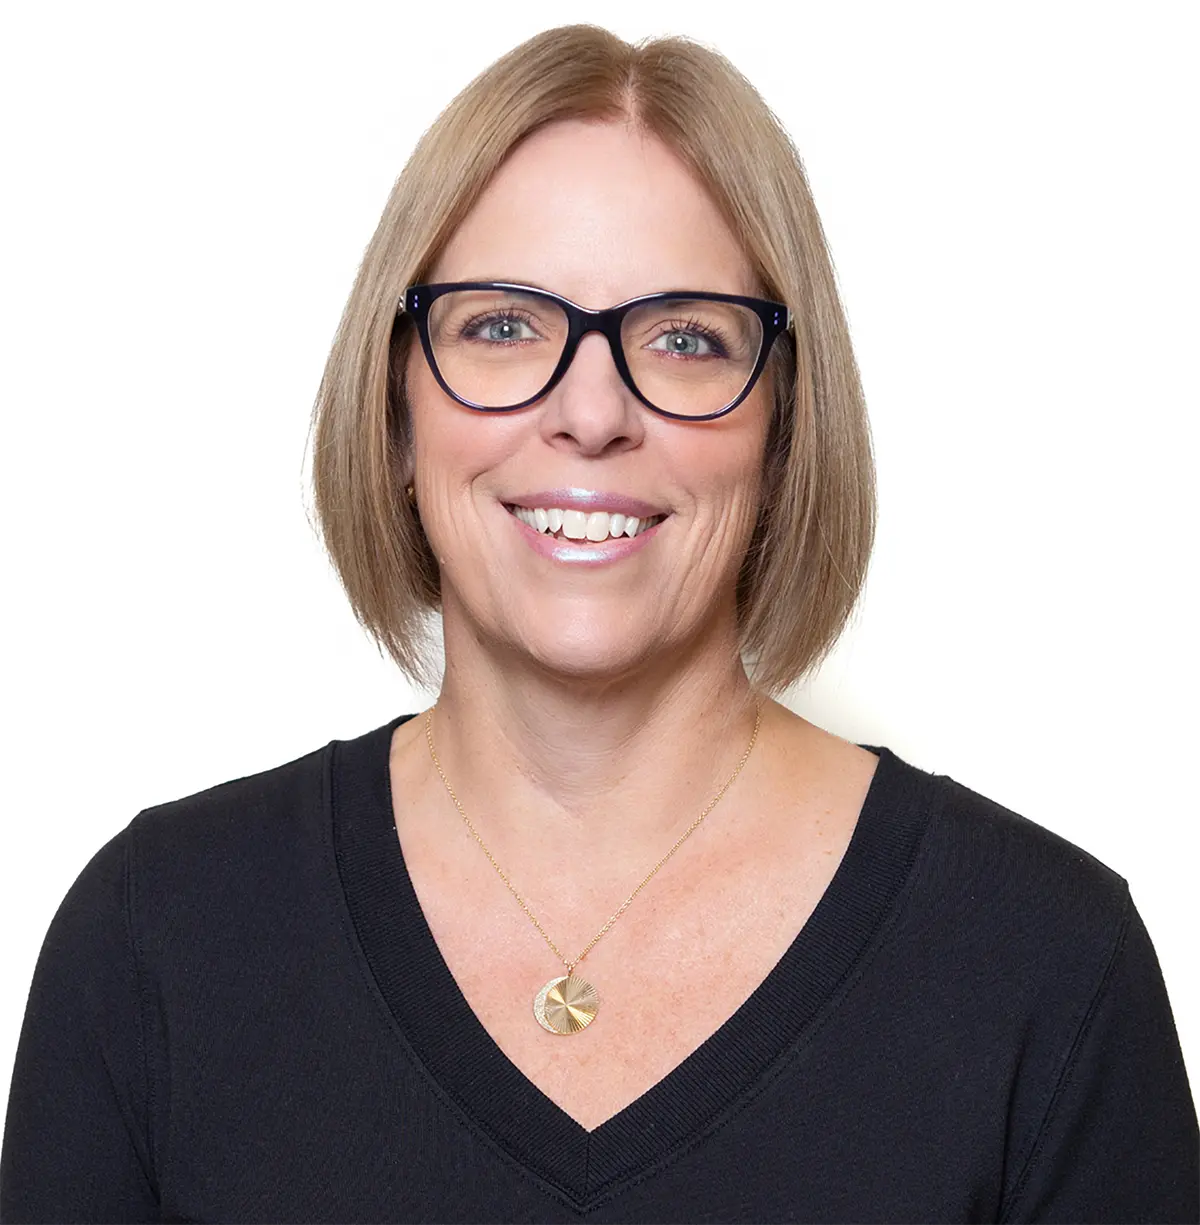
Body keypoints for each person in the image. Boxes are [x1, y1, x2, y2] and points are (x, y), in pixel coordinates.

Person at [1, 22, 1196, 1222]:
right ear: (399, 409)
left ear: (784, 431)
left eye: (684, 338)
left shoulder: (1045, 964)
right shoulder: (157, 937)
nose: (590, 411)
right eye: (501, 323)